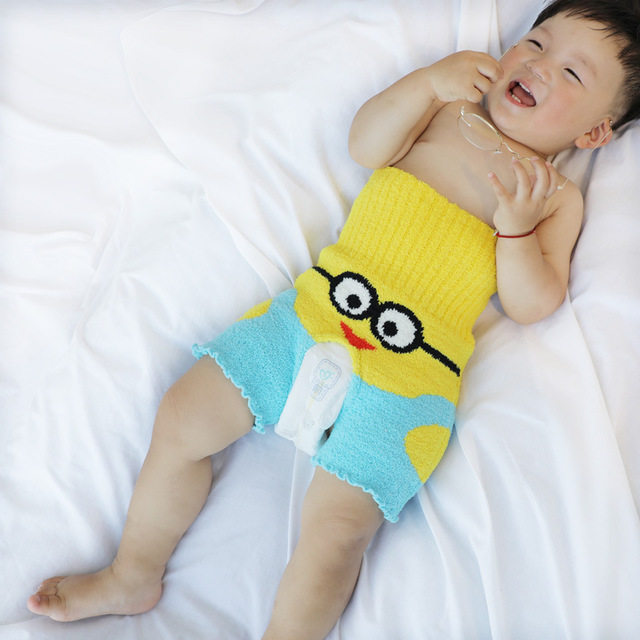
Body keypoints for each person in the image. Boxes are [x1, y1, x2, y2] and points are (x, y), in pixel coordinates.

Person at [27, 1, 640, 638]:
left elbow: (533, 304)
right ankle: (132, 572)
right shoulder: (450, 112)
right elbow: (365, 144)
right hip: (316, 313)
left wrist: (515, 232)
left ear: (595, 133)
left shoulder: (554, 198)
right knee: (183, 415)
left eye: (572, 74)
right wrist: (427, 83)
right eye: (537, 43)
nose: (539, 67)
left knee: (338, 534)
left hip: (410, 383)